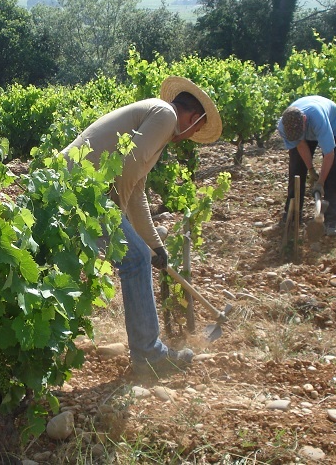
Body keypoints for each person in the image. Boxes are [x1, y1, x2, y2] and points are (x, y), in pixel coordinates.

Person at [61, 76, 222, 377]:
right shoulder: (165, 115)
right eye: (196, 129)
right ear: (192, 117)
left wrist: (156, 246)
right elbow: (128, 168)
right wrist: (128, 231)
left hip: (69, 186)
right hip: (80, 191)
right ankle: (149, 356)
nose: (189, 136)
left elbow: (136, 193)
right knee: (134, 258)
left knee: (137, 253)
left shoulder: (155, 122)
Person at [277, 95, 336, 236]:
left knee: (333, 171)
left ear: (304, 121)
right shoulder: (283, 126)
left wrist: (320, 182)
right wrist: (311, 170)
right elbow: (301, 144)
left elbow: (329, 154)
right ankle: (293, 214)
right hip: (308, 127)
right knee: (296, 168)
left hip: (333, 124)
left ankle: (332, 220)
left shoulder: (319, 119)